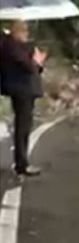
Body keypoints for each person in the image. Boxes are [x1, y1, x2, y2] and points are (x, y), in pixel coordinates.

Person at [0, 20, 46, 176]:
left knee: (24, 125)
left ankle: (22, 161)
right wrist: (36, 62)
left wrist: (37, 63)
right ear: (16, 31)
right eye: (24, 31)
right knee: (23, 127)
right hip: (21, 90)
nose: (27, 34)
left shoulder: (15, 46)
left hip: (23, 89)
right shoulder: (11, 46)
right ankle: (22, 163)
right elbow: (28, 67)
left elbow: (32, 68)